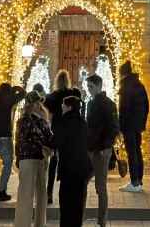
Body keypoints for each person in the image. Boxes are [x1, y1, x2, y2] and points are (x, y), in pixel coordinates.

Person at [52, 95, 92, 227]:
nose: (62, 107)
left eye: (63, 105)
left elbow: (55, 142)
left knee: (66, 203)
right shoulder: (82, 122)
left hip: (68, 168)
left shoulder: (63, 122)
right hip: (82, 168)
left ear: (69, 107)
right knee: (78, 203)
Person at [13, 91, 52, 227]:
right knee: (41, 194)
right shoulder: (43, 121)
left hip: (27, 159)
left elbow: (19, 141)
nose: (40, 104)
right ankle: (40, 223)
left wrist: (17, 158)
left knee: (26, 195)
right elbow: (50, 140)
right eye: (38, 102)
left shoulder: (23, 121)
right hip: (39, 158)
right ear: (35, 103)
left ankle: (22, 224)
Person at [85, 74, 119, 227]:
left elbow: (113, 127)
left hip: (101, 151)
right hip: (90, 149)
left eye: (91, 87)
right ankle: (81, 215)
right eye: (88, 87)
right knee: (83, 182)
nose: (89, 89)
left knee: (100, 186)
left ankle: (102, 220)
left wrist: (107, 147)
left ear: (99, 86)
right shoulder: (90, 104)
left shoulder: (108, 104)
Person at [44, 69, 82, 204]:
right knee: (68, 161)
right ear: (67, 80)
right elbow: (80, 102)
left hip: (56, 131)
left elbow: (47, 109)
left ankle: (49, 193)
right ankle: (68, 192)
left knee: (53, 163)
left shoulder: (53, 96)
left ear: (57, 81)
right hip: (70, 132)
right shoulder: (73, 93)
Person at [119, 60, 149, 193]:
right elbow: (146, 106)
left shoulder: (126, 86)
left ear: (122, 74)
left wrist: (121, 126)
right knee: (137, 151)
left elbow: (123, 108)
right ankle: (139, 181)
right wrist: (142, 123)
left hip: (129, 125)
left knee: (132, 153)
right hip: (138, 125)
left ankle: (134, 182)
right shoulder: (140, 85)